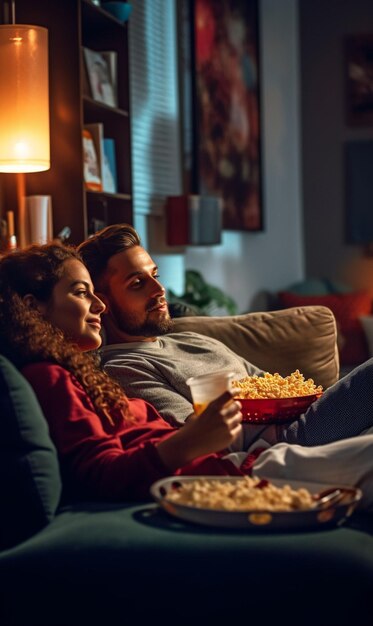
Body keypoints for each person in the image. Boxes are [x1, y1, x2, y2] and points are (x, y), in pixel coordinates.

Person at [1, 243, 373, 510]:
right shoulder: (52, 378)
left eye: (155, 276)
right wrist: (193, 437)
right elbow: (99, 473)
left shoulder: (80, 374)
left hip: (241, 466)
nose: (98, 305)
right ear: (33, 308)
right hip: (241, 471)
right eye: (83, 293)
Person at [78, 223, 373, 449]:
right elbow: (197, 438)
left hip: (309, 417)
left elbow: (277, 390)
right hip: (283, 443)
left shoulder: (194, 340)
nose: (159, 290)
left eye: (155, 275)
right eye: (138, 283)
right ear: (101, 303)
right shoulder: (124, 368)